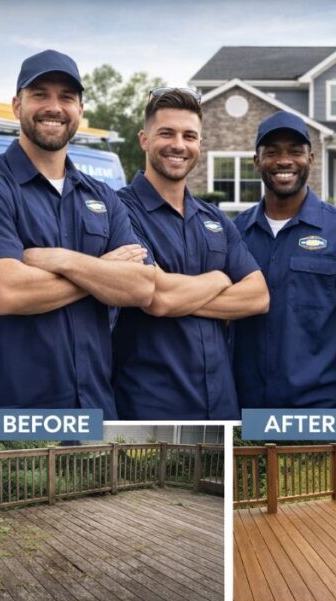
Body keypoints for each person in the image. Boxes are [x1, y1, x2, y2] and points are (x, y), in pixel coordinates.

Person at [0, 50, 155, 488]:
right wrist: (102, 274)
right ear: (17, 105)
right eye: (40, 93)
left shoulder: (103, 197)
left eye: (67, 96)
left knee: (96, 546)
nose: (54, 106)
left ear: (80, 110)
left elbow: (141, 287)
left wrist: (62, 260)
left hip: (94, 414)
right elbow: (7, 293)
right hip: (12, 421)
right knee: (8, 549)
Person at [112, 88, 269, 419]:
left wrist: (178, 295)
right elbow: (156, 297)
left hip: (222, 404)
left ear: (200, 144)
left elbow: (257, 296)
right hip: (150, 404)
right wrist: (219, 277)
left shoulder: (214, 219)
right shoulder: (119, 211)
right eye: (166, 133)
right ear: (144, 139)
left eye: (189, 136)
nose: (178, 145)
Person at [233, 111, 336, 416]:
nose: (284, 161)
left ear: (311, 158)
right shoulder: (236, 233)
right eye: (272, 152)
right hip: (244, 407)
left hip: (318, 410)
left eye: (295, 152)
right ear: (256, 161)